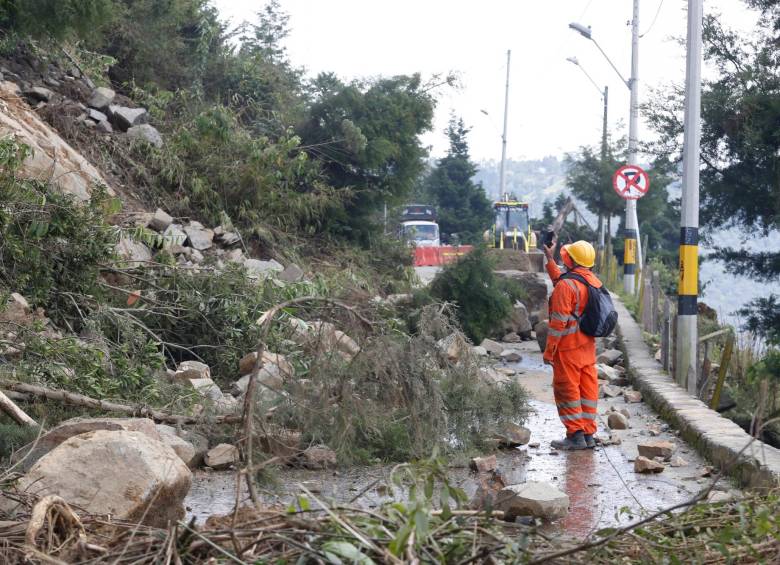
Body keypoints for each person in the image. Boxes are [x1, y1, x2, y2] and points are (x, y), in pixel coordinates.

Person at [542, 237, 600, 450]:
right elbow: (562, 280)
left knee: (567, 390)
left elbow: (558, 323)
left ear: (571, 260)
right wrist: (550, 258)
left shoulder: (567, 285)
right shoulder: (592, 281)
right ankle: (588, 434)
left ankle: (574, 436)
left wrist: (549, 352)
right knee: (587, 390)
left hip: (568, 347)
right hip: (588, 347)